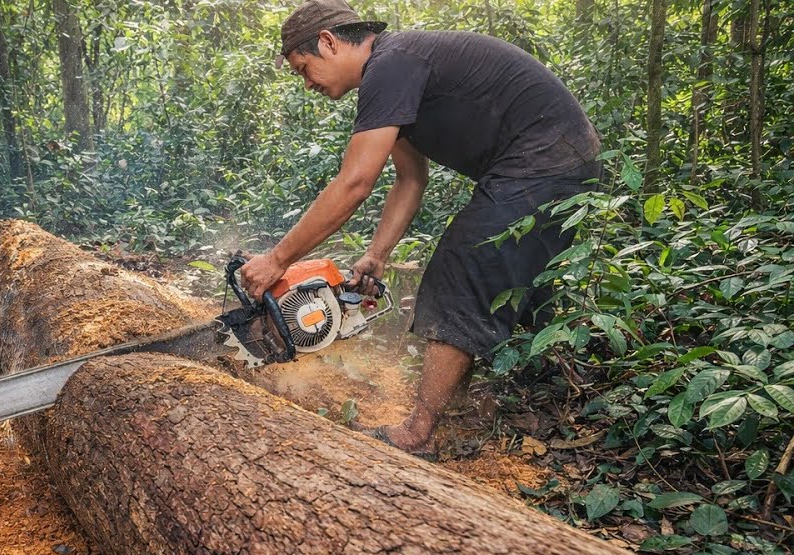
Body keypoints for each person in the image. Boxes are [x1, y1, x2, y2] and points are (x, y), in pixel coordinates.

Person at [241, 0, 601, 459]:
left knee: (458, 275)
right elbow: (411, 178)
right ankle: (497, 408)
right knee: (494, 284)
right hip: (551, 165)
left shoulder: (391, 65)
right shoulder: (396, 72)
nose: (307, 83)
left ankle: (418, 435)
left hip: (545, 164)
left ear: (329, 42)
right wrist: (377, 253)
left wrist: (277, 259)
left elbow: (355, 182)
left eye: (303, 68)